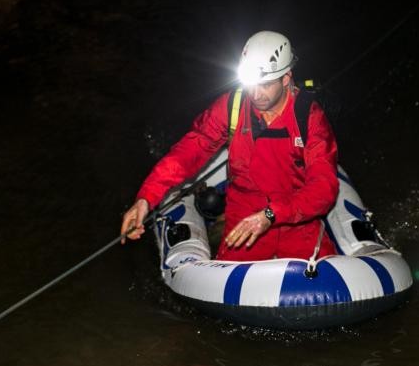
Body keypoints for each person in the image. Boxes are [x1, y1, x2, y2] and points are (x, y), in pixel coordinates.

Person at [120, 30, 339, 261]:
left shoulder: (309, 117)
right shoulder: (233, 106)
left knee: (325, 285)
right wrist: (146, 197)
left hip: (296, 219)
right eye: (250, 84)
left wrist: (270, 214)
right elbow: (189, 151)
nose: (255, 94)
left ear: (286, 78)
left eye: (265, 85)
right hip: (244, 217)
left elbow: (323, 187)